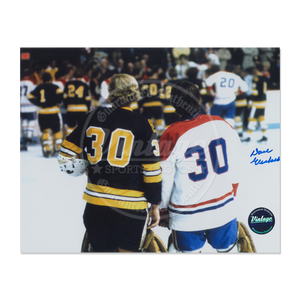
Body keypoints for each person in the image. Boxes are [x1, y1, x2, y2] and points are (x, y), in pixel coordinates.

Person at [58, 73, 162, 253]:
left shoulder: (92, 117)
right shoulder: (143, 124)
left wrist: (87, 167)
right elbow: (152, 171)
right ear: (135, 94)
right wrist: (155, 205)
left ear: (110, 92)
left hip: (96, 205)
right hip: (131, 208)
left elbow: (65, 157)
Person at [158, 80, 244, 253]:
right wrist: (232, 189)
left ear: (174, 104)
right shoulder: (221, 123)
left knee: (183, 250)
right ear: (199, 99)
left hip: (186, 215)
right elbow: (237, 161)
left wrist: (163, 209)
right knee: (228, 249)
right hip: (223, 207)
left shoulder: (171, 133)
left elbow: (164, 178)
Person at [27, 72, 63, 157]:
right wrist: (58, 102)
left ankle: (47, 148)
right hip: (53, 112)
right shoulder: (55, 87)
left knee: (45, 130)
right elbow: (61, 95)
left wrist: (38, 103)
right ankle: (58, 147)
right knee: (57, 130)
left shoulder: (39, 87)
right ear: (51, 79)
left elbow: (29, 96)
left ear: (42, 80)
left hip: (43, 113)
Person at [205, 63, 248, 127]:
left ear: (225, 68)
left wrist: (211, 92)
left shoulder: (219, 74)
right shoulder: (236, 77)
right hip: (230, 100)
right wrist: (238, 93)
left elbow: (208, 81)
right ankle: (228, 135)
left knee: (215, 122)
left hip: (218, 100)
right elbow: (245, 87)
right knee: (229, 121)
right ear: (233, 70)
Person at [242, 63, 268, 142]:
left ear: (256, 70)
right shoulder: (264, 78)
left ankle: (248, 136)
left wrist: (250, 101)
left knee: (252, 118)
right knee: (261, 117)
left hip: (256, 102)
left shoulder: (256, 79)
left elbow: (254, 92)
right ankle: (264, 135)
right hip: (263, 101)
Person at [63, 68, 91, 135]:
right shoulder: (85, 85)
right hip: (82, 109)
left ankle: (69, 142)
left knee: (70, 127)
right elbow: (87, 99)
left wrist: (66, 106)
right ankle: (81, 143)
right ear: (82, 76)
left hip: (71, 109)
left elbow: (64, 97)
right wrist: (88, 108)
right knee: (82, 126)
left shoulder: (68, 84)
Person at [18, 69, 37, 144]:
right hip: (30, 104)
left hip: (20, 104)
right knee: (32, 120)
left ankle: (25, 136)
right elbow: (35, 93)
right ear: (29, 75)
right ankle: (29, 137)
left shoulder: (18, 82)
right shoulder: (31, 82)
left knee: (24, 120)